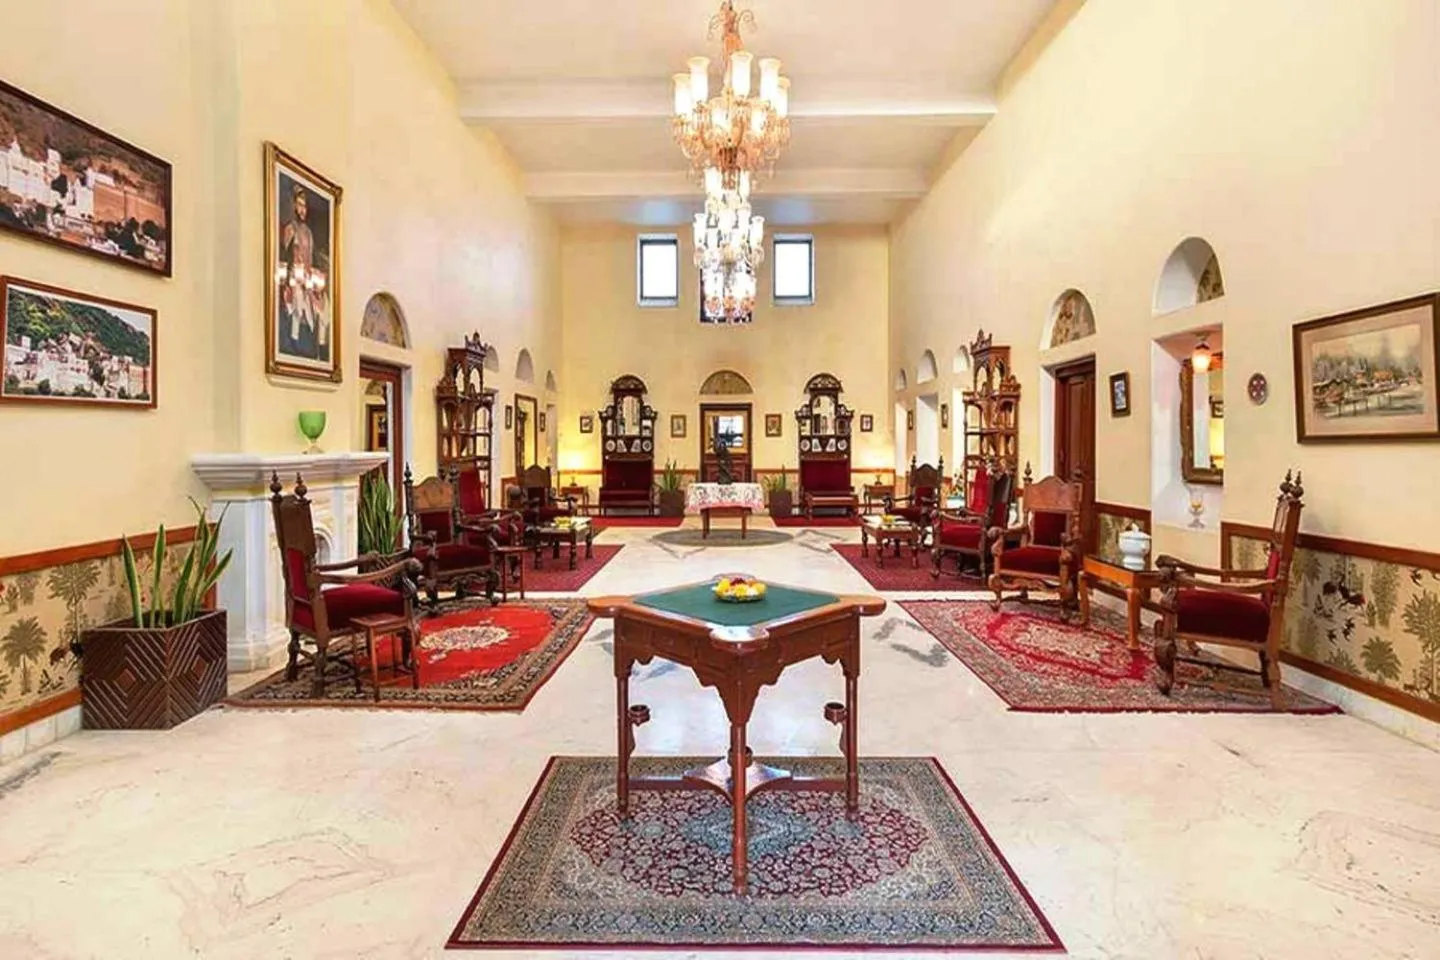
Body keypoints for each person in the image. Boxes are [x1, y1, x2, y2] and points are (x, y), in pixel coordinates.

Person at [278, 183, 329, 361]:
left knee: (324, 306)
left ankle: (320, 345)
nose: (302, 209)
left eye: (304, 206)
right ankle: (294, 341)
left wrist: (317, 278)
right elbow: (284, 256)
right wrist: (287, 281)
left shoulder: (308, 232)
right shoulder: (290, 229)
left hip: (307, 278)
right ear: (293, 206)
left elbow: (312, 259)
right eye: (299, 205)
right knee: (298, 304)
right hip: (294, 277)